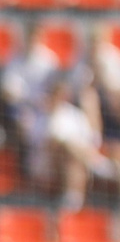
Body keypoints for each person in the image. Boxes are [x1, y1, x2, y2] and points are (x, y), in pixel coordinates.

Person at [42, 80, 113, 210]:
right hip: (48, 162)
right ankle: (98, 165)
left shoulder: (74, 114)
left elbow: (93, 140)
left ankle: (73, 200)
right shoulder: (41, 115)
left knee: (74, 161)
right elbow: (49, 145)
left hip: (75, 159)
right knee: (67, 146)